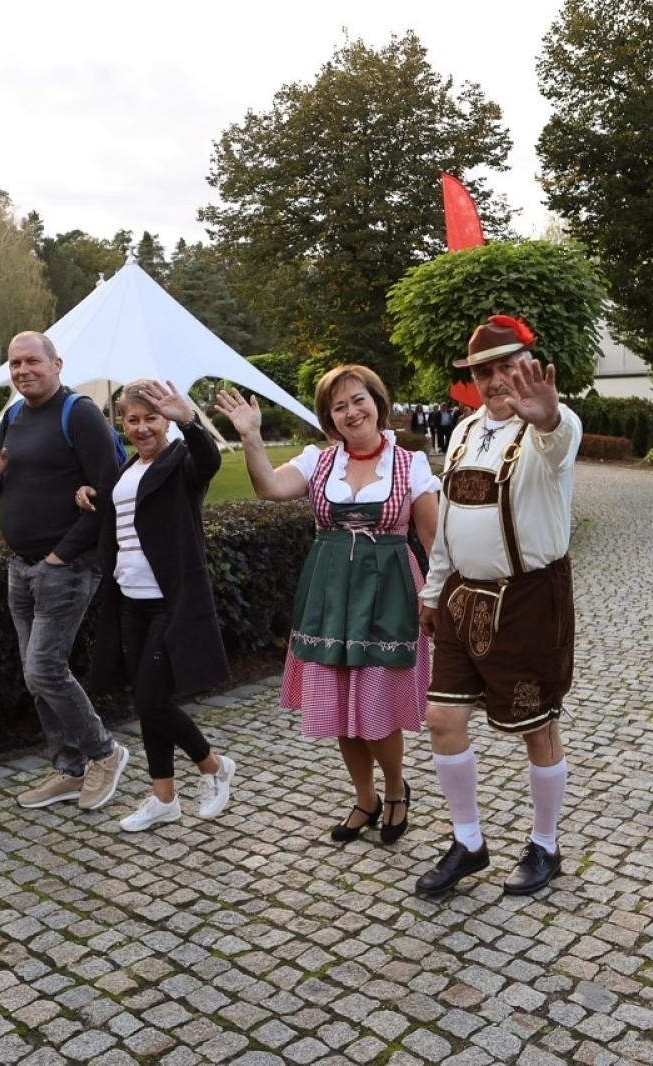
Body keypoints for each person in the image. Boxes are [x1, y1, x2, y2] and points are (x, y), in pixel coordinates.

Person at [214, 367, 438, 845]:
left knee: (376, 705)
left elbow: (432, 538)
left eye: (359, 400)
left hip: (389, 594)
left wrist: (438, 596)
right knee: (339, 705)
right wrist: (251, 437)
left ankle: (395, 790)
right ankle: (365, 798)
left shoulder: (410, 464)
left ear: (377, 401)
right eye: (339, 406)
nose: (352, 412)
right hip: (330, 595)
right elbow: (269, 488)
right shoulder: (318, 462)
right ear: (328, 417)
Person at [414, 315, 582, 899]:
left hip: (530, 598)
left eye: (506, 366)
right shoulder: (463, 431)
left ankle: (545, 845)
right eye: (483, 371)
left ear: (529, 365)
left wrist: (548, 417)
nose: (494, 380)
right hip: (463, 596)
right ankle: (468, 841)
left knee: (538, 726)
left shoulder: (554, 425)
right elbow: (448, 521)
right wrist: (433, 590)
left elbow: (557, 443)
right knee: (441, 719)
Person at [0, 330, 130, 813]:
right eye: (15, 363)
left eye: (32, 361)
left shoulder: (78, 413)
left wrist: (61, 555)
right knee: (34, 675)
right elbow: (1, 488)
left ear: (56, 364)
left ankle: (105, 753)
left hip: (67, 567)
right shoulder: (14, 416)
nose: (23, 371)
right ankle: (69, 768)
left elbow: (109, 492)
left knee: (44, 670)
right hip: (21, 567)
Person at [77, 380, 237, 832]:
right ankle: (164, 798)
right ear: (122, 423)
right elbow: (126, 515)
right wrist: (90, 495)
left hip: (170, 601)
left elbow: (209, 461)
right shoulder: (127, 468)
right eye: (133, 420)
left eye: (152, 418)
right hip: (131, 601)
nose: (142, 427)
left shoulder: (181, 462)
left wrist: (190, 421)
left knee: (151, 701)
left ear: (166, 421)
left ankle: (214, 766)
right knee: (149, 702)